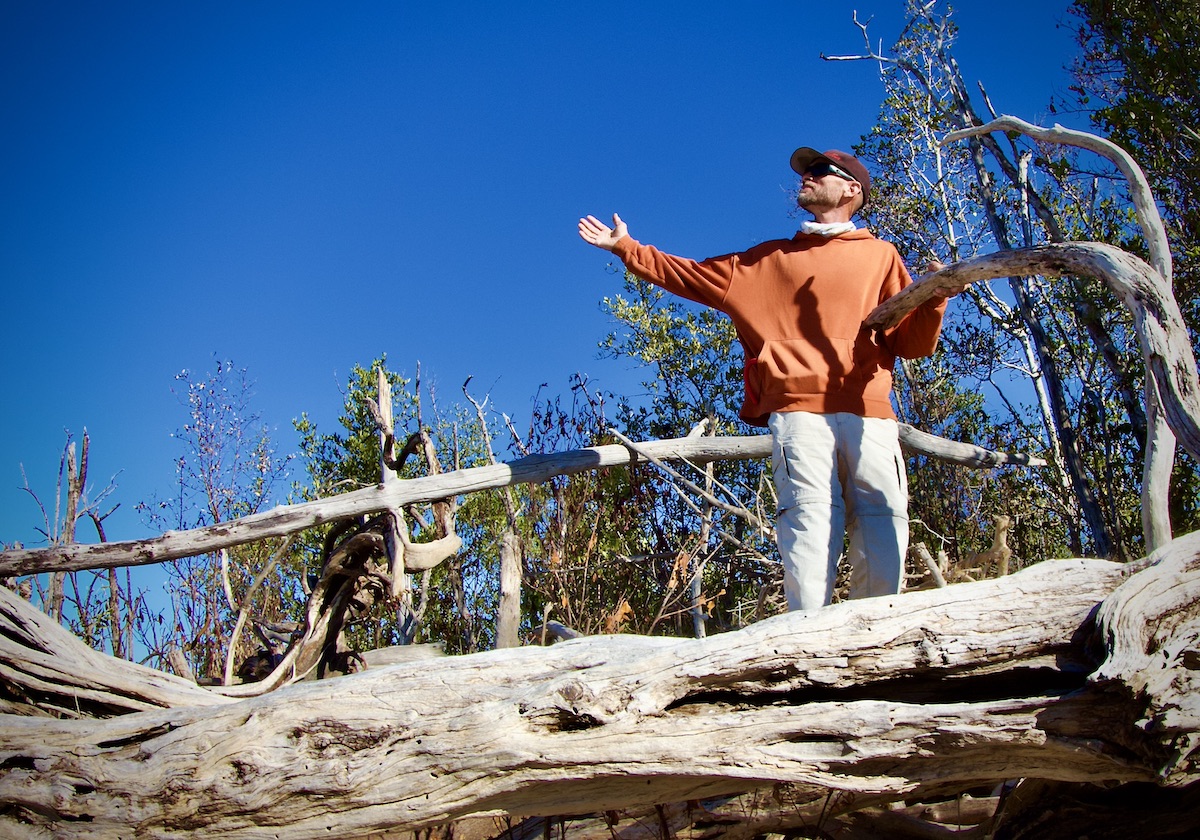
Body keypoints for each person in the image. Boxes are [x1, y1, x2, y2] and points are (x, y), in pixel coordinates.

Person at [578, 146, 959, 611]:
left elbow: (912, 344)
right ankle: (809, 645)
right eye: (807, 171)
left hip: (869, 413)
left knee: (882, 521)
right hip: (797, 413)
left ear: (852, 190)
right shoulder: (762, 262)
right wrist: (626, 249)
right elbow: (689, 275)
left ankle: (878, 641)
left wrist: (934, 296)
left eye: (820, 171)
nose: (806, 177)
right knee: (809, 520)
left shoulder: (881, 256)